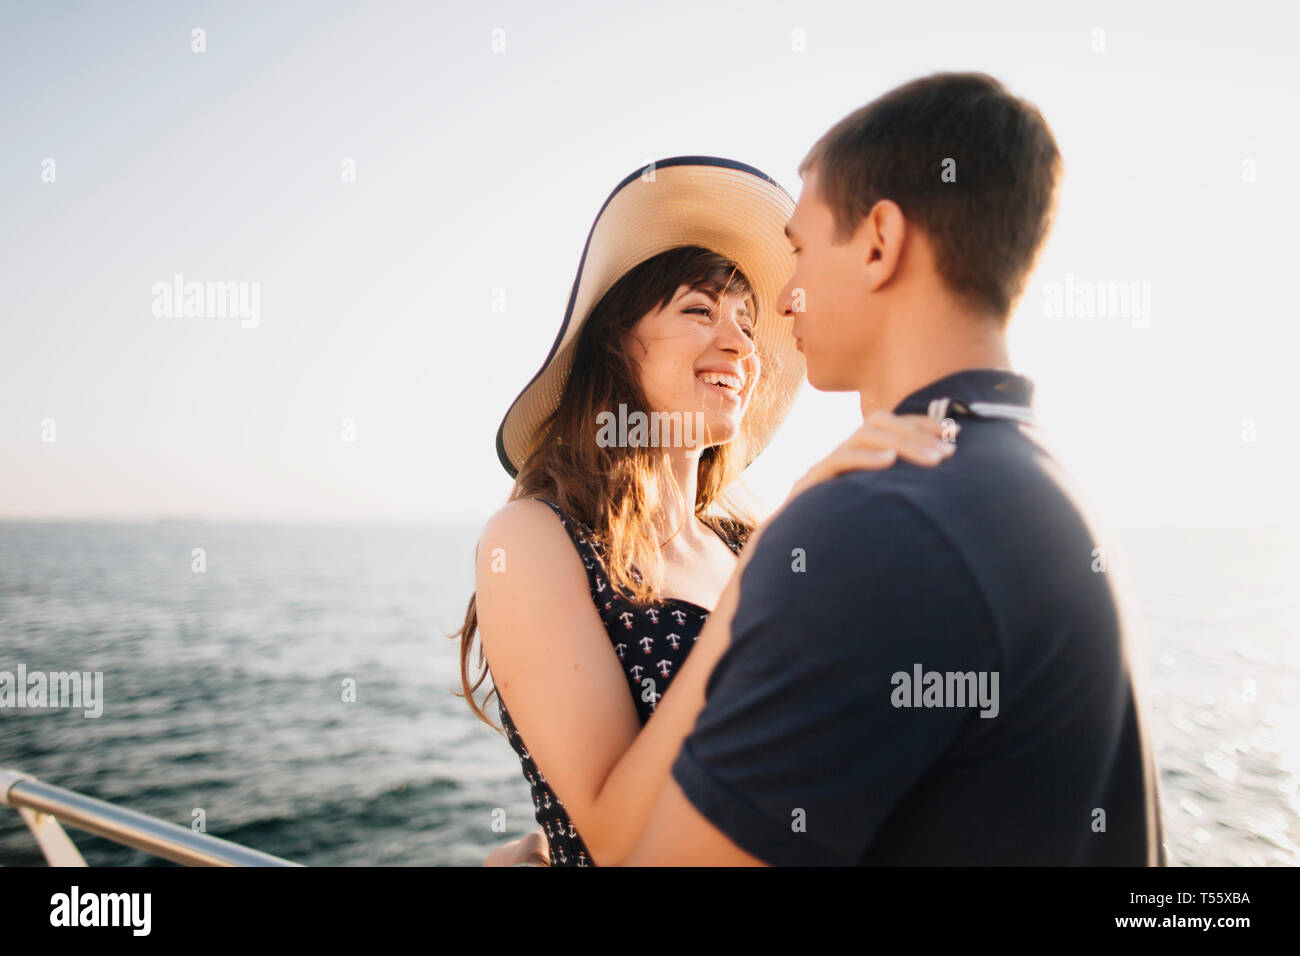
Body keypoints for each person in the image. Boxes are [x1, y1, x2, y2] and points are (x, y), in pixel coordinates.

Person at [619, 72, 1167, 866]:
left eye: (800, 251)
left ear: (879, 241)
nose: (785, 300)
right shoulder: (1041, 483)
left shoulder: (875, 526)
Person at [453, 157, 955, 867]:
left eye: (748, 322)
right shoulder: (535, 539)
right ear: (615, 342)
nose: (742, 345)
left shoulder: (743, 540)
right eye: (699, 310)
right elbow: (615, 837)